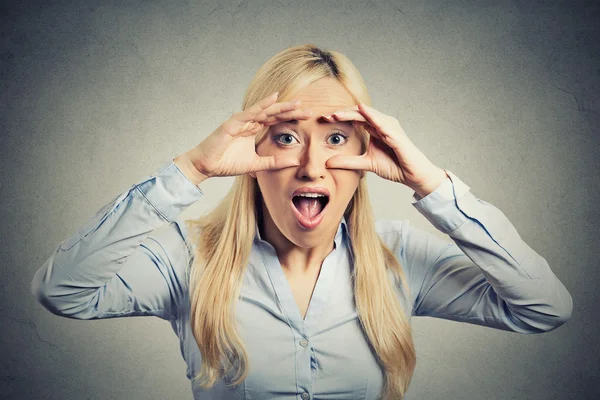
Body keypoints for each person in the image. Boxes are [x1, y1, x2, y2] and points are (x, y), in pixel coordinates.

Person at [30, 44, 573, 400]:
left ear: (366, 157)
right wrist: (192, 168)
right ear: (251, 152)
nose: (313, 165)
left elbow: (545, 307)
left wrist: (430, 183)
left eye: (337, 139)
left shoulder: (399, 259)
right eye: (287, 136)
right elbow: (63, 290)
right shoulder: (189, 258)